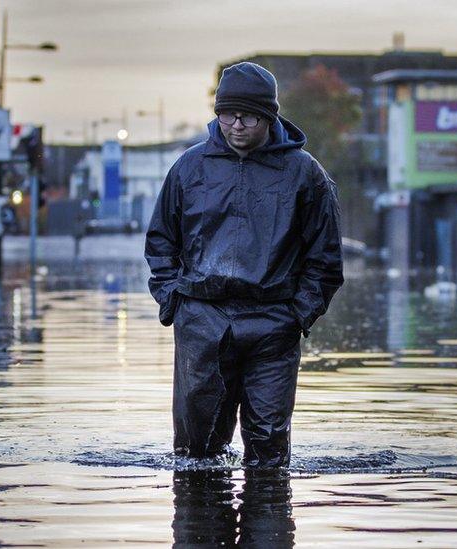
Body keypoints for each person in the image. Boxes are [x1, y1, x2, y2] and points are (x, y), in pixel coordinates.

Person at [145, 62, 343, 468]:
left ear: (268, 117)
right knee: (195, 453)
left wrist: (298, 314)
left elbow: (325, 257)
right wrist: (174, 303)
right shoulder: (189, 168)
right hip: (201, 321)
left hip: (273, 322)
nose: (236, 124)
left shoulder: (305, 175)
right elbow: (161, 241)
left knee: (269, 450)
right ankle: (200, 527)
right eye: (227, 113)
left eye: (248, 115)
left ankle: (267, 520)